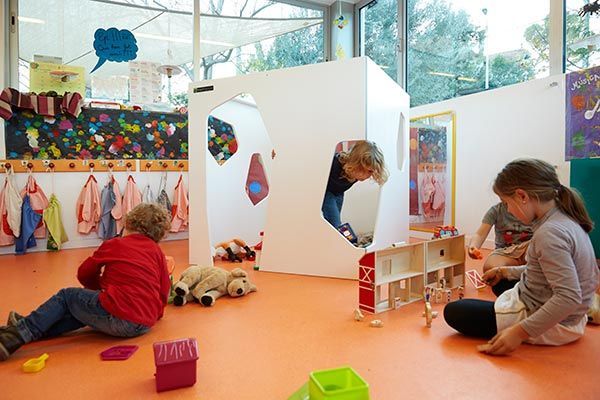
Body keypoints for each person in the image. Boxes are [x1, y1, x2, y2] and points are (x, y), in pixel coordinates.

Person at [444, 159, 599, 355]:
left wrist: (519, 332)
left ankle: (517, 319)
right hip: (573, 316)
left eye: (507, 203)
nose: (508, 210)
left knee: (455, 311)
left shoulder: (549, 233)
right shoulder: (563, 217)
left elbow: (568, 297)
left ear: (522, 196)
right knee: (500, 282)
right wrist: (506, 271)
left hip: (558, 323)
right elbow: (543, 269)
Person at [0, 203, 172, 361]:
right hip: (144, 324)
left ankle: (16, 335)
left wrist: (99, 288)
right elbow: (164, 289)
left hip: (119, 317)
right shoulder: (157, 252)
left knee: (67, 296)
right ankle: (31, 326)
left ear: (128, 224)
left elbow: (84, 273)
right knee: (80, 311)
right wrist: (155, 314)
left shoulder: (114, 244)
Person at [467, 202, 533, 296]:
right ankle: (517, 277)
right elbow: (480, 233)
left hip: (528, 248)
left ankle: (519, 277)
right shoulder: (496, 210)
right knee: (490, 268)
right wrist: (473, 246)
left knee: (535, 250)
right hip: (505, 252)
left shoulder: (533, 208)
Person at [322, 140, 388, 228]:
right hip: (325, 191)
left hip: (338, 192)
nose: (366, 175)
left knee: (336, 220)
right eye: (363, 169)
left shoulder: (356, 173)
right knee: (335, 223)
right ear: (354, 164)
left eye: (370, 171)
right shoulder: (334, 164)